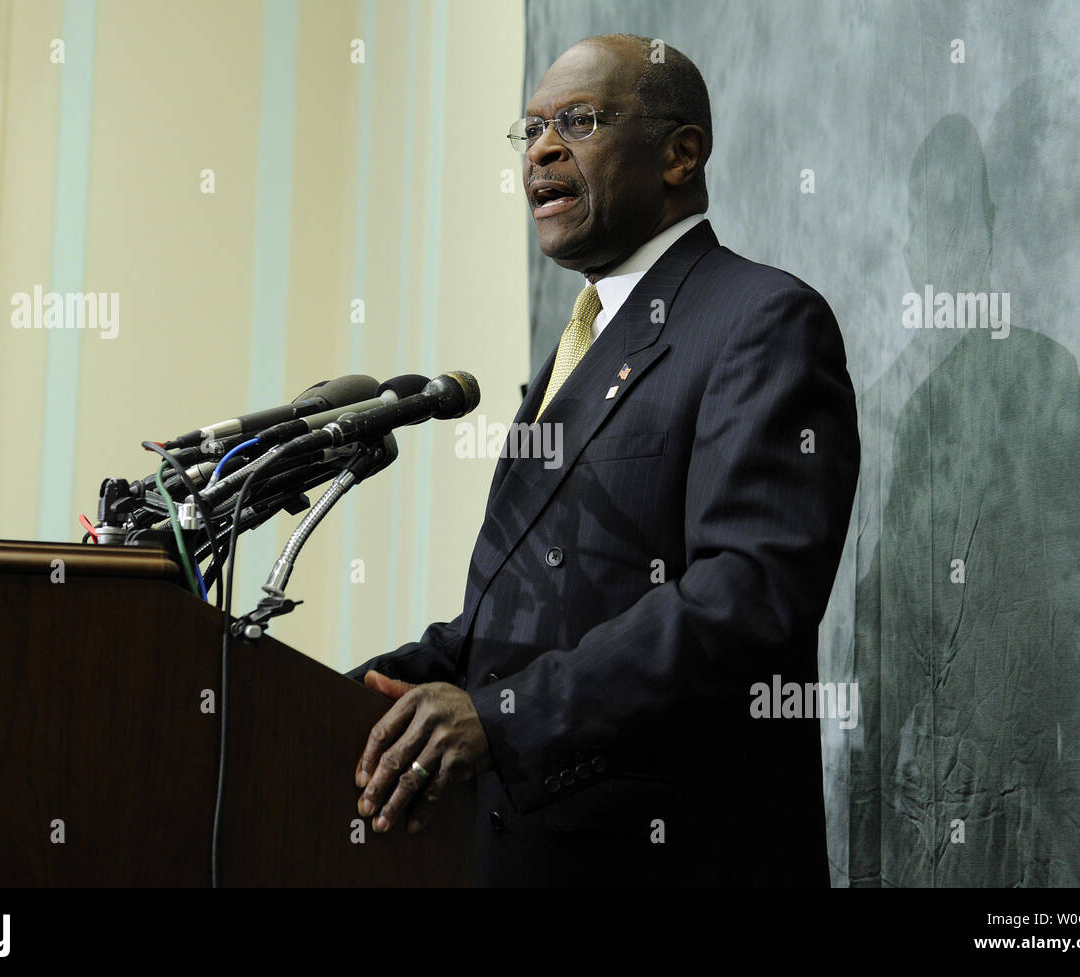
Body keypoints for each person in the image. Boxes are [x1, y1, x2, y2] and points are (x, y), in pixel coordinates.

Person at [348, 33, 859, 886]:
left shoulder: (761, 320)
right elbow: (517, 615)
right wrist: (371, 691)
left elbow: (747, 595)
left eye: (578, 121)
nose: (543, 148)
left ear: (679, 152)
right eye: (533, 127)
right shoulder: (580, 346)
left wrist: (503, 715)